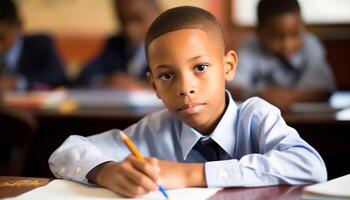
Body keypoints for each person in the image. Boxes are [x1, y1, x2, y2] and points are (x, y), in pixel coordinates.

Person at [49, 6, 327, 198]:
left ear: (228, 66)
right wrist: (107, 172)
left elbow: (310, 166)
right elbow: (67, 151)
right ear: (154, 85)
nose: (185, 88)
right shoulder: (154, 129)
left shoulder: (255, 117)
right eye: (167, 75)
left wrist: (191, 175)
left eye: (201, 68)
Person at [229, 0, 335, 111]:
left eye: (294, 34)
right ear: (259, 32)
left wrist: (289, 97)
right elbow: (233, 86)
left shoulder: (311, 45)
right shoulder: (250, 46)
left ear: (303, 27)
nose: (287, 45)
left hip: (305, 117)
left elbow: (324, 88)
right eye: (276, 37)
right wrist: (261, 94)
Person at [74, 0, 160, 90]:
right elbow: (84, 77)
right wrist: (106, 81)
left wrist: (139, 87)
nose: (130, 29)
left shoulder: (168, 48)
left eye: (137, 19)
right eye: (122, 20)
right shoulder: (115, 45)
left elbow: (172, 87)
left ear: (157, 14)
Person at [0, 0, 67, 91]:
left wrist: (18, 83)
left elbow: (58, 77)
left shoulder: (40, 45)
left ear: (19, 25)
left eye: (2, 38)